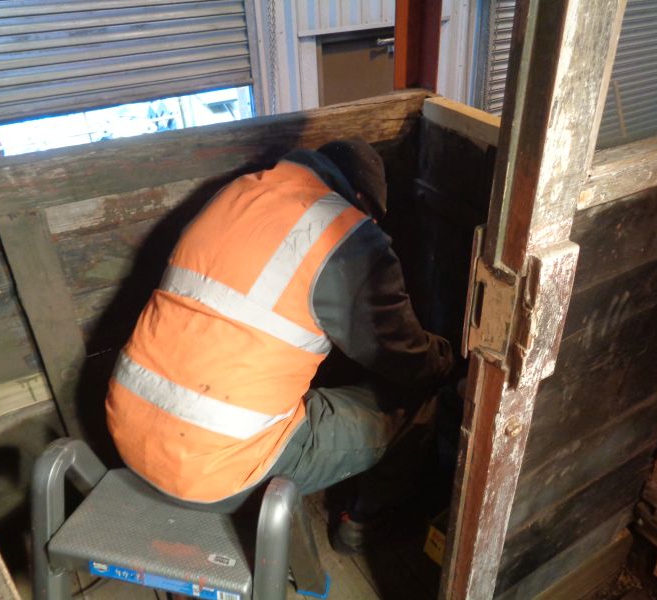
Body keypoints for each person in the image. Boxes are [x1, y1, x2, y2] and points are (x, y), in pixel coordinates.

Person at [105, 138, 454, 553]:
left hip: (125, 425)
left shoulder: (236, 192)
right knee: (418, 402)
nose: (373, 227)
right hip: (212, 468)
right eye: (374, 218)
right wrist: (451, 361)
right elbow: (406, 358)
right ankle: (362, 527)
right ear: (359, 200)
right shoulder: (348, 234)